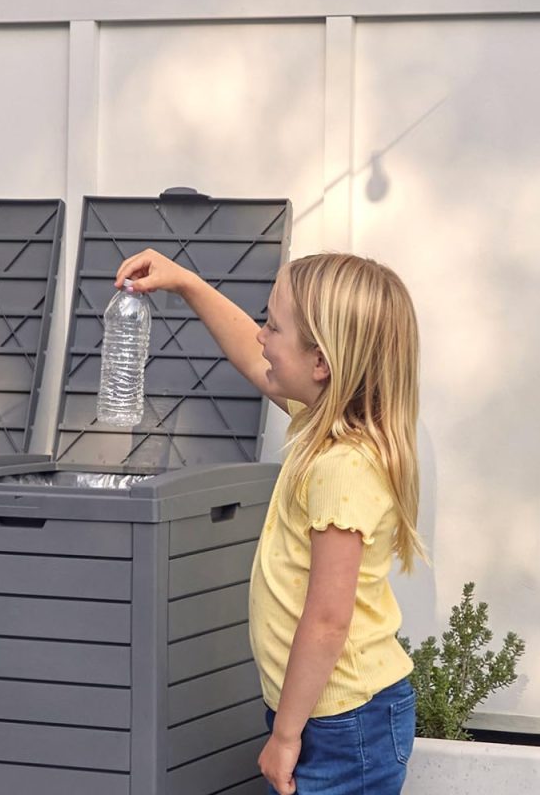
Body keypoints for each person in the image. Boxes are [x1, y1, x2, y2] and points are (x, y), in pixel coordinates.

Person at [116, 250, 425, 795]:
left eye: (274, 326)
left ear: (321, 363)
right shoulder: (325, 423)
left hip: (342, 721)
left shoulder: (341, 469)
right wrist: (187, 283)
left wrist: (285, 734)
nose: (261, 335)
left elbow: (329, 620)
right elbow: (255, 360)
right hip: (324, 711)